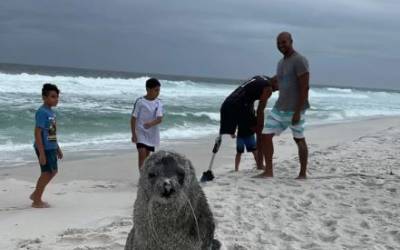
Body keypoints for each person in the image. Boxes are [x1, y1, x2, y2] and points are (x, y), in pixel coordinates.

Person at [260, 32, 310, 179]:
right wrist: (264, 82)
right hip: (279, 107)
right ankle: (268, 171)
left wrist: (297, 111)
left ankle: (302, 173)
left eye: (284, 42)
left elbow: (304, 87)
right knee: (265, 135)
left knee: (299, 139)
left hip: (295, 109)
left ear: (291, 41)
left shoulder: (300, 60)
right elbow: (280, 80)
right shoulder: (281, 63)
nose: (281, 45)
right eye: (278, 43)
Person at [219, 75, 275, 169]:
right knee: (257, 131)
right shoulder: (268, 87)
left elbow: (250, 98)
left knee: (223, 134)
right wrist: (258, 126)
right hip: (240, 107)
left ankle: (258, 164)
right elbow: (260, 110)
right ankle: (260, 165)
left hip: (228, 103)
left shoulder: (259, 78)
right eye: (276, 89)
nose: (274, 92)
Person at [30, 83, 63, 208]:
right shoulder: (42, 112)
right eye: (53, 96)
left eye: (57, 97)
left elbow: (52, 132)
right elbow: (37, 133)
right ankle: (36, 200)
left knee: (53, 171)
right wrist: (42, 152)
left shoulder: (51, 113)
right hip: (44, 147)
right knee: (46, 173)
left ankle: (36, 194)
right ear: (44, 97)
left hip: (51, 147)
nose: (56, 99)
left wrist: (58, 148)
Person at [131, 78, 163, 169]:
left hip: (152, 134)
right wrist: (133, 134)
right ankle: (142, 179)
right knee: (141, 155)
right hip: (140, 132)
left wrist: (151, 124)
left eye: (159, 90)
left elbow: (159, 119)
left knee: (147, 159)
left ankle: (146, 177)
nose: (158, 92)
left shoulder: (159, 103)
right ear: (148, 89)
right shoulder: (140, 101)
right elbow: (133, 118)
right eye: (156, 90)